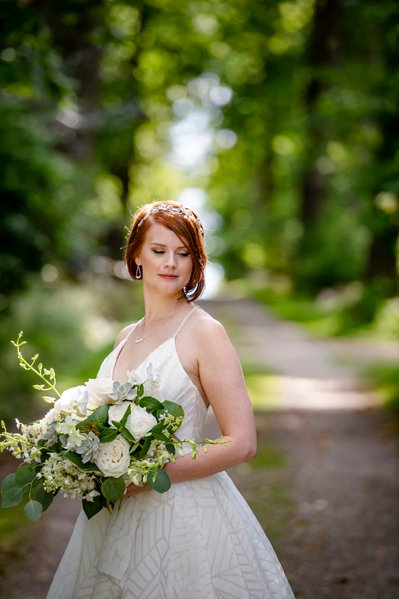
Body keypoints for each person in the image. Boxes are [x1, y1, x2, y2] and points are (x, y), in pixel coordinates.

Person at [46, 200, 295, 599]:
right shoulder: (125, 336)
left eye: (184, 254)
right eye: (159, 251)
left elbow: (243, 442)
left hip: (184, 513)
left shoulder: (205, 333)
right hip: (115, 514)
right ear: (137, 256)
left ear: (196, 264)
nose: (171, 263)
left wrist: (146, 474)